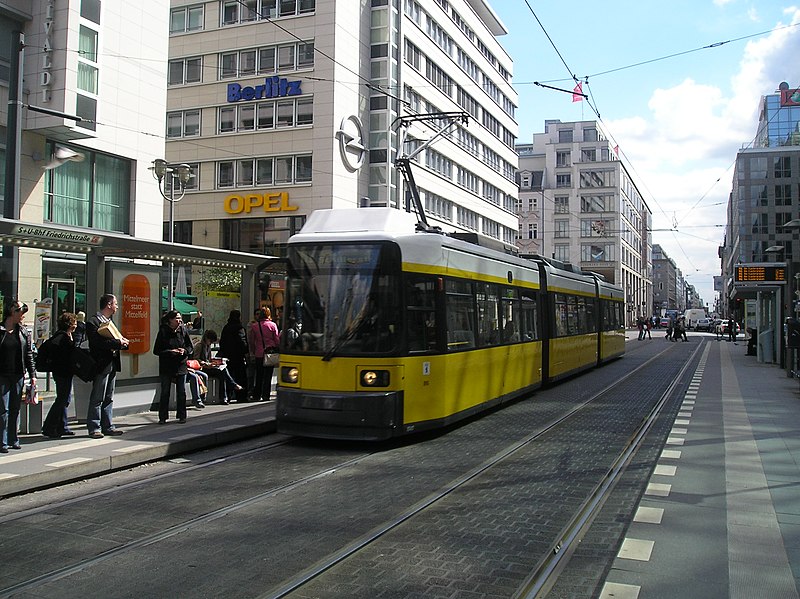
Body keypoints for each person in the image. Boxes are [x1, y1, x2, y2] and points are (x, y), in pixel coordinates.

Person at [86, 293, 129, 439]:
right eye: (115, 303)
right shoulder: (93, 322)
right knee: (98, 396)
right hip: (101, 364)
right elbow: (97, 343)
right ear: (109, 305)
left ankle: (108, 425)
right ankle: (94, 427)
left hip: (112, 363)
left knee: (109, 396)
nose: (117, 306)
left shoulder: (109, 322)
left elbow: (114, 339)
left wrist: (122, 342)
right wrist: (118, 343)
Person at [0, 299, 36, 453]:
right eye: (21, 312)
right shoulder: (1, 331)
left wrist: (33, 375)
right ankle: (2, 441)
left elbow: (29, 355)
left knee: (15, 408)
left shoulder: (23, 332)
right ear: (12, 312)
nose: (23, 316)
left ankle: (13, 439)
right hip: (2, 375)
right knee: (3, 409)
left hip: (18, 375)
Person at [153, 310, 194, 424]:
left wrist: (184, 351)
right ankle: (163, 417)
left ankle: (182, 416)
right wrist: (170, 352)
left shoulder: (183, 330)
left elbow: (190, 347)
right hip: (167, 365)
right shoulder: (163, 331)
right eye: (177, 318)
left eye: (180, 318)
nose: (179, 320)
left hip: (181, 365)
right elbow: (156, 350)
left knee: (181, 391)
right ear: (170, 320)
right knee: (165, 391)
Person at [42, 312, 78, 438]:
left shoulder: (62, 336)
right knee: (62, 400)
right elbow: (66, 355)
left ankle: (62, 426)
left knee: (64, 399)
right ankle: (50, 427)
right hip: (63, 372)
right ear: (70, 324)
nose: (76, 325)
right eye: (74, 322)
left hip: (61, 372)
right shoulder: (63, 338)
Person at [193, 329, 243, 405]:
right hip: (202, 368)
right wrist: (205, 363)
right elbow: (196, 359)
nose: (211, 343)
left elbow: (209, 359)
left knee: (222, 372)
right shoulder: (199, 346)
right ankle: (231, 387)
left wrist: (215, 362)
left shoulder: (208, 346)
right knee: (222, 372)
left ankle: (224, 397)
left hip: (208, 366)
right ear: (207, 338)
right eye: (211, 341)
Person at [248, 307, 280, 402]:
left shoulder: (255, 326)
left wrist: (253, 352)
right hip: (270, 353)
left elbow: (252, 341)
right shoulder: (273, 325)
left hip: (259, 353)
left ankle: (257, 395)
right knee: (268, 375)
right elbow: (277, 340)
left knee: (259, 375)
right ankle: (266, 395)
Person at [219, 309, 248, 402]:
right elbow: (242, 342)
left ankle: (228, 395)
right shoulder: (239, 328)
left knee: (230, 375)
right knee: (240, 376)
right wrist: (245, 352)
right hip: (238, 356)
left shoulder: (226, 327)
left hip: (228, 356)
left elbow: (222, 342)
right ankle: (241, 396)